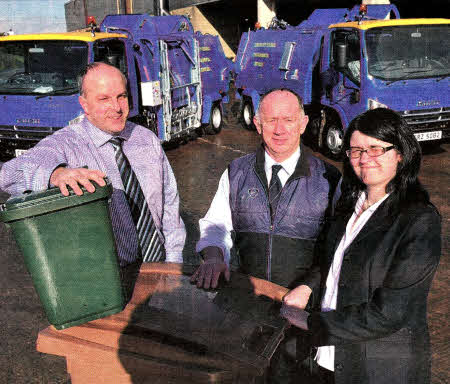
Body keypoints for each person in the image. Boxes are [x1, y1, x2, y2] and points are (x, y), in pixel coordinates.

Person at [281, 108, 441, 384]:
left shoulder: (418, 220)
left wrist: (311, 323)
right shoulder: (348, 204)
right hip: (331, 358)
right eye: (356, 150)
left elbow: (391, 312)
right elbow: (334, 261)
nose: (365, 159)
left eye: (376, 149)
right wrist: (308, 285)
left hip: (381, 369)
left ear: (400, 154)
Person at [191, 88, 341, 382]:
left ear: (303, 123)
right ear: (257, 124)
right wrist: (213, 255)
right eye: (271, 120)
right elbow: (216, 224)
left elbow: (339, 250)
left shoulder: (329, 178)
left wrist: (310, 288)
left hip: (304, 315)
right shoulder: (235, 171)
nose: (279, 129)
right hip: (249, 311)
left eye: (288, 119)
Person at [0, 62, 186, 270]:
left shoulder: (146, 139)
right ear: (84, 104)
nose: (116, 108)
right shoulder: (67, 143)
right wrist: (56, 173)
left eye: (121, 96)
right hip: (110, 276)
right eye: (104, 99)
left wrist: (173, 259)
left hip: (158, 264)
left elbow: (169, 204)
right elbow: (8, 174)